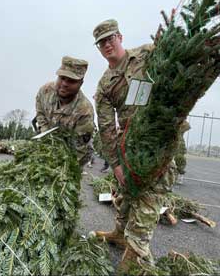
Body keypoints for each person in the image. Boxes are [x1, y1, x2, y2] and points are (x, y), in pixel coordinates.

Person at [92, 19, 178, 273]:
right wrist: (116, 164)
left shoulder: (145, 54)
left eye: (110, 39)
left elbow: (171, 60)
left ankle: (138, 257)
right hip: (131, 146)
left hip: (160, 141)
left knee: (149, 199)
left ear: (120, 36)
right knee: (127, 195)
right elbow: (107, 128)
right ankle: (120, 234)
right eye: (101, 43)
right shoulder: (105, 85)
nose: (107, 45)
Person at [36, 56, 94, 167]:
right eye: (62, 78)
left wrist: (62, 169)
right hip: (49, 142)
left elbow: (80, 151)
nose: (64, 84)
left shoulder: (85, 112)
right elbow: (40, 112)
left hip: (72, 152)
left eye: (71, 81)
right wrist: (45, 132)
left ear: (80, 83)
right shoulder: (45, 91)